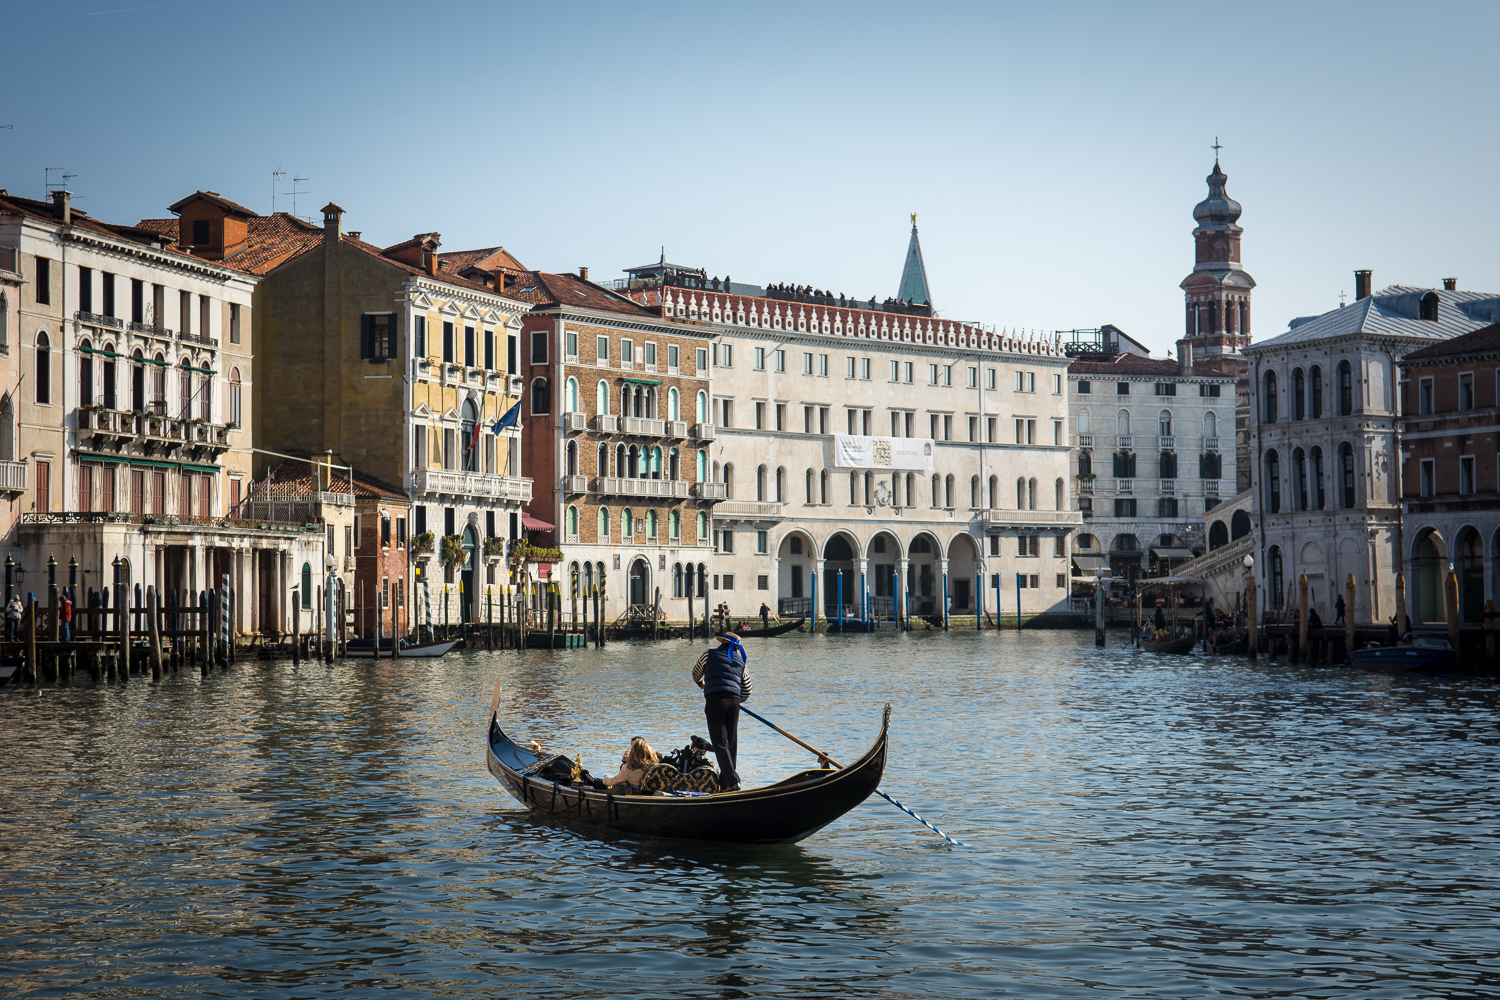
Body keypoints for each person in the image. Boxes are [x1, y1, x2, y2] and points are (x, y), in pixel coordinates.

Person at [692, 633, 750, 791]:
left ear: (723, 641)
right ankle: (726, 783)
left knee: (719, 743)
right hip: (734, 703)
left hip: (715, 700)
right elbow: (747, 688)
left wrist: (701, 683)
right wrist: (737, 699)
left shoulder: (708, 654)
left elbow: (696, 672)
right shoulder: (741, 662)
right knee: (731, 743)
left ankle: (732, 781)